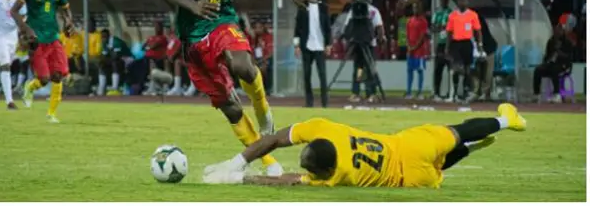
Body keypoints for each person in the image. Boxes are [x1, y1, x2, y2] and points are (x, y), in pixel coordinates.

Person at [158, 0, 319, 177]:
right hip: (193, 38)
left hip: (221, 21)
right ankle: (268, 162)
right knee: (229, 105)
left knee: (243, 65)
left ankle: (263, 109)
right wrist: (194, 6)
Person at [205, 103, 527, 187]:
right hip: (408, 146)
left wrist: (240, 172)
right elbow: (275, 139)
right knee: (457, 130)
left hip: (412, 180)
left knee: (441, 164)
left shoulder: (337, 174)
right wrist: (239, 162)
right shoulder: (324, 128)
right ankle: (507, 120)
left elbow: (287, 178)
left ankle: (468, 150)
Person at [12, 0, 74, 122]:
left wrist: (69, 22)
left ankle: (51, 114)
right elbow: (14, 11)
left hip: (54, 36)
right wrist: (26, 29)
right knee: (44, 79)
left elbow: (65, 9)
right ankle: (30, 87)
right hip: (37, 40)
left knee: (58, 76)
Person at [293, 0, 331, 108]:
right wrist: (296, 46)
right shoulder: (302, 8)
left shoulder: (324, 8)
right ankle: (309, 102)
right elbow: (297, 29)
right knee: (307, 75)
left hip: (320, 45)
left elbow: (327, 28)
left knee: (322, 75)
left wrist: (329, 44)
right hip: (307, 45)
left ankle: (325, 102)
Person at [0, 0, 24, 110]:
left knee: (4, 65)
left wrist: (21, 31)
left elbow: (23, 15)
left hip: (13, 36)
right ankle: (9, 101)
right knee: (5, 65)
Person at [446, 0, 482, 103]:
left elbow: (477, 31)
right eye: (460, 1)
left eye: (464, 1)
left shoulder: (473, 15)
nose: (462, 3)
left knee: (467, 69)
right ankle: (455, 93)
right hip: (456, 43)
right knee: (456, 68)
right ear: (457, 3)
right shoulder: (452, 15)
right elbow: (449, 32)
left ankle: (465, 93)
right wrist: (447, 47)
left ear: (468, 3)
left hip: (467, 43)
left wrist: (479, 44)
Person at [533, 24, 575, 102]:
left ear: (563, 32)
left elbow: (569, 57)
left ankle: (557, 94)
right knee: (538, 70)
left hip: (564, 65)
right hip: (550, 64)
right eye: (556, 31)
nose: (557, 32)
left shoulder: (567, 43)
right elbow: (547, 55)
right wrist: (545, 62)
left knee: (554, 69)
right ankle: (536, 94)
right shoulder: (551, 41)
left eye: (559, 31)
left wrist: (559, 53)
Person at [405, 4, 430, 99]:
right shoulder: (409, 21)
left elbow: (422, 37)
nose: (415, 9)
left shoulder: (423, 21)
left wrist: (414, 47)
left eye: (417, 7)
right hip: (411, 50)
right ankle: (409, 91)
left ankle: (419, 92)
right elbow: (407, 35)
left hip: (420, 51)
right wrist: (408, 46)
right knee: (409, 71)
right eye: (414, 7)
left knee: (420, 71)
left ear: (420, 9)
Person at [431, 0, 453, 100]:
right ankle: (436, 93)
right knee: (438, 69)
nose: (442, 1)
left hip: (451, 44)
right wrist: (441, 27)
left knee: (451, 69)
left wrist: (441, 27)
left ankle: (451, 93)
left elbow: (451, 27)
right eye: (441, 0)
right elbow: (433, 28)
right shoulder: (437, 13)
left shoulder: (451, 13)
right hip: (440, 44)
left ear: (447, 1)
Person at [96, 27, 129, 96]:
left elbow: (116, 56)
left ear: (109, 36)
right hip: (114, 59)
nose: (103, 38)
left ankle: (115, 88)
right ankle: (102, 87)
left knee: (115, 63)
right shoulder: (103, 43)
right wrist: (103, 61)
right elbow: (104, 56)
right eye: (102, 37)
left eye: (105, 37)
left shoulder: (116, 41)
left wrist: (107, 59)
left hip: (128, 59)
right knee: (101, 63)